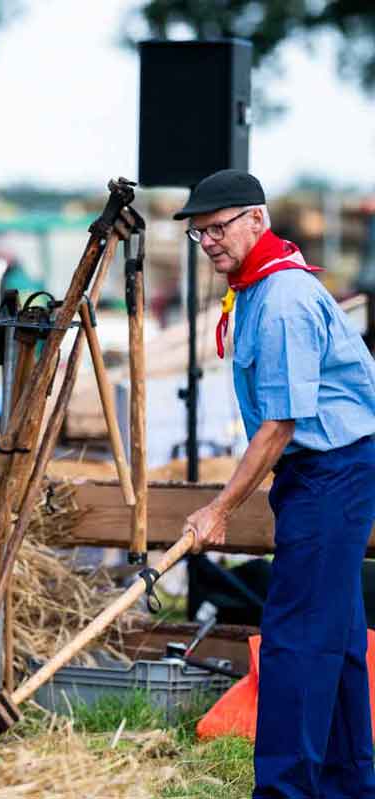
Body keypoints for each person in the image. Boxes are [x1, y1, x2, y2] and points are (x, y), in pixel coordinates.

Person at [177, 169, 375, 798]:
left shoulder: (282, 297)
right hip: (324, 467)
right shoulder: (256, 287)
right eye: (199, 232)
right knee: (337, 637)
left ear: (257, 221)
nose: (209, 241)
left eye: (219, 227)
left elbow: (280, 424)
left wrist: (219, 508)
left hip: (333, 470)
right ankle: (349, 786)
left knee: (293, 639)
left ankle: (285, 790)